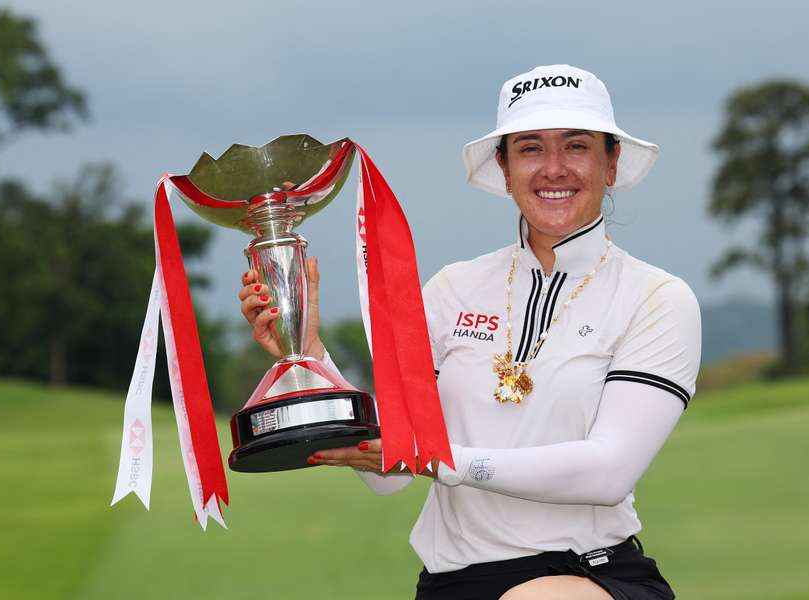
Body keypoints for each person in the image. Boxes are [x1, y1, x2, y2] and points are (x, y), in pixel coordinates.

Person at [239, 65, 701, 600]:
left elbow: (606, 472)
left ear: (611, 162)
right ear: (504, 168)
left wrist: (449, 463)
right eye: (529, 149)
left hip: (588, 577)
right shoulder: (453, 288)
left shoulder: (656, 297)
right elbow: (390, 475)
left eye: (576, 146)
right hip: (453, 585)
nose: (553, 169)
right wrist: (311, 354)